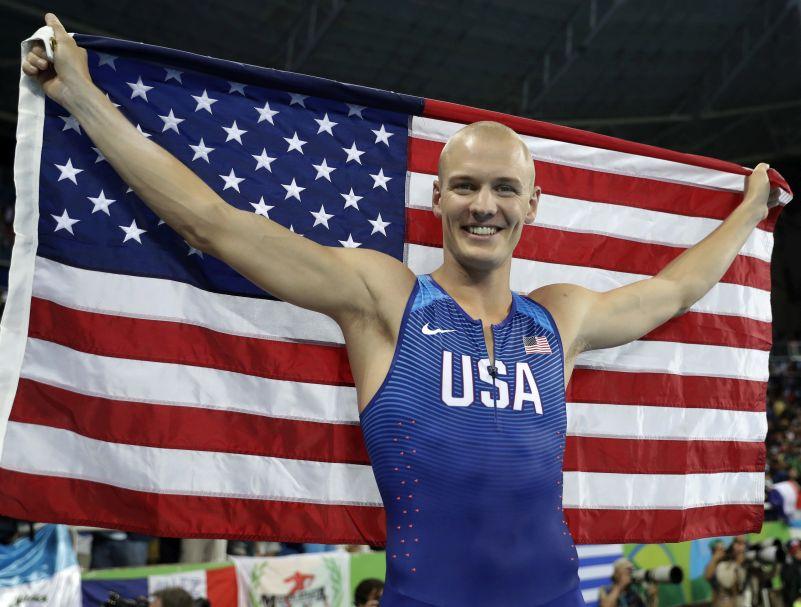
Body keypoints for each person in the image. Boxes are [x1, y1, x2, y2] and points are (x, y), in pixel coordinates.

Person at [22, 12, 780, 606]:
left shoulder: (560, 317)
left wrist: (749, 212)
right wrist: (84, 97)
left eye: (504, 189)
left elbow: (676, 291)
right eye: (466, 186)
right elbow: (214, 225)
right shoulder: (385, 300)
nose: (483, 205)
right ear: (437, 196)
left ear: (532, 206)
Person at [704, 537, 747, 607]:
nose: (722, 551)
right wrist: (715, 559)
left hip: (733, 600)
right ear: (713, 551)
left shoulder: (727, 563)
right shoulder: (712, 565)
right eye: (719, 549)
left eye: (723, 549)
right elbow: (707, 576)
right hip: (720, 601)